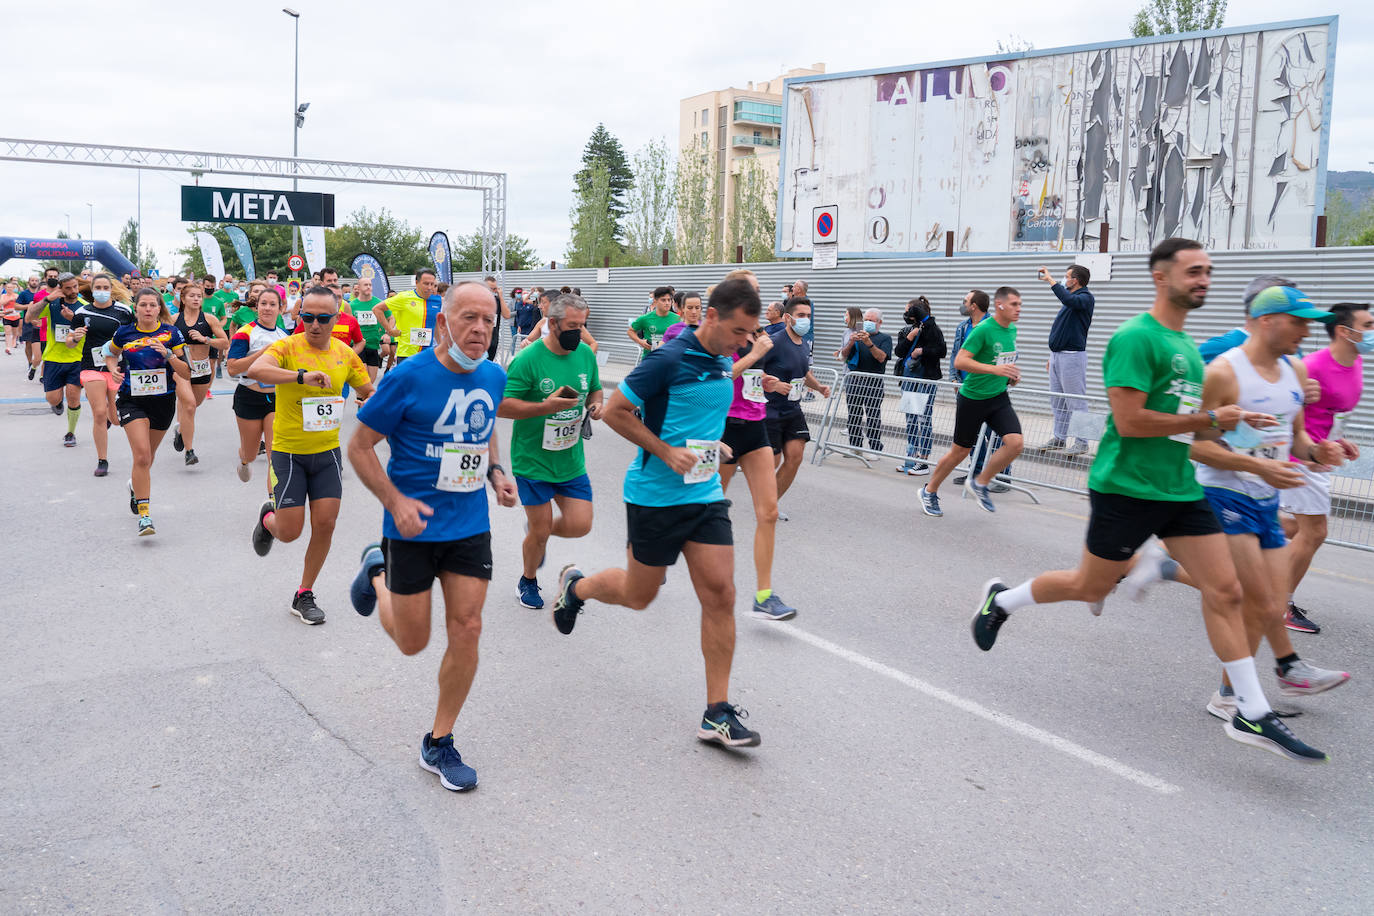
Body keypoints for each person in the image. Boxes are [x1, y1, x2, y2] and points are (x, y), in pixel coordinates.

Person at [969, 238, 1328, 763]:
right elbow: (1132, 422)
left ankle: (1251, 709)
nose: (1204, 279)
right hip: (1127, 487)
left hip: (1181, 489)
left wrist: (1251, 431)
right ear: (1162, 277)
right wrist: (1208, 419)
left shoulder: (1187, 347)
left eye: (1208, 271)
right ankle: (1001, 600)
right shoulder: (1136, 337)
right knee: (1087, 584)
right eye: (1193, 271)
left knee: (1226, 590)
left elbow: (1199, 427)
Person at [549, 276, 766, 749]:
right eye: (738, 332)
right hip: (654, 495)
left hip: (704, 493)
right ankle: (577, 587)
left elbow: (700, 415)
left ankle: (717, 713)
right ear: (710, 316)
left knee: (721, 593)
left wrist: (714, 443)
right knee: (638, 594)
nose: (744, 342)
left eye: (749, 335)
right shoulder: (668, 358)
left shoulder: (722, 358)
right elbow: (618, 412)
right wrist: (667, 451)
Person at [1123, 284, 1351, 719]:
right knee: (1261, 601)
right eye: (1298, 321)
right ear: (1267, 321)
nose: (1307, 330)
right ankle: (1274, 678)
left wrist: (1321, 452)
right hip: (1224, 494)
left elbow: (1297, 439)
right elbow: (1188, 442)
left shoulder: (1297, 373)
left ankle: (1233, 693)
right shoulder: (1222, 373)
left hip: (1267, 500)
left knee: (1269, 602)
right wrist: (1257, 468)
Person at [347, 281, 517, 792]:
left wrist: (495, 473)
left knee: (468, 627)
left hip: (468, 525)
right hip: (411, 526)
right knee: (411, 642)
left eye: (488, 320)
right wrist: (395, 503)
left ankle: (439, 741)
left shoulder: (492, 375)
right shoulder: (407, 377)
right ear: (443, 321)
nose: (480, 329)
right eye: (469, 318)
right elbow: (359, 446)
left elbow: (483, 427)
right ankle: (377, 574)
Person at [246, 286, 375, 625]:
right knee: (289, 532)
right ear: (299, 316)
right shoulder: (288, 346)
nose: (314, 325)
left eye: (323, 318)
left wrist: (372, 401)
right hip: (288, 452)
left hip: (326, 453)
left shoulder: (345, 354)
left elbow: (368, 390)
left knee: (326, 523)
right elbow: (257, 370)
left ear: (337, 318)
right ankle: (267, 519)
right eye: (307, 317)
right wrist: (299, 376)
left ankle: (304, 593)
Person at [497, 293, 603, 609]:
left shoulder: (584, 354)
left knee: (581, 524)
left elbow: (594, 388)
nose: (579, 332)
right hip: (533, 460)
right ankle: (527, 580)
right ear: (552, 323)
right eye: (573, 326)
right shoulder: (527, 360)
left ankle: (537, 531)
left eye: (582, 326)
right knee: (541, 531)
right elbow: (502, 406)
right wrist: (546, 406)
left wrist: (596, 403)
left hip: (570, 459)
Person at [1278, 301, 1370, 633]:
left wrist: (1341, 442)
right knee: (1315, 533)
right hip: (1301, 456)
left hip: (1321, 456)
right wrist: (1309, 452)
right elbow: (1284, 410)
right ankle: (1279, 606)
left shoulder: (1356, 362)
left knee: (1291, 530)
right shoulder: (1312, 365)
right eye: (1368, 325)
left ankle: (1238, 529)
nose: (1372, 332)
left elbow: (1332, 414)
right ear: (1345, 332)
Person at [920, 287, 1025, 516]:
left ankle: (980, 482)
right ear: (1000, 305)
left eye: (1019, 304)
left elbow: (1001, 361)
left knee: (1016, 443)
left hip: (998, 396)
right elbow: (960, 361)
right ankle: (929, 490)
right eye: (1014, 304)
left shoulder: (1012, 330)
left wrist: (1010, 375)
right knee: (960, 451)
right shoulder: (983, 330)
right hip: (973, 398)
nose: (1019, 308)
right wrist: (996, 370)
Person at [720, 315, 797, 621]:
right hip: (723, 428)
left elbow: (747, 375)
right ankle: (659, 557)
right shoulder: (722, 335)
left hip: (755, 427)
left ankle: (764, 596)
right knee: (704, 506)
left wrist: (768, 382)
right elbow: (722, 375)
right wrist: (752, 356)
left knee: (769, 513)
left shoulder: (758, 336)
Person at [108, 287, 191, 536]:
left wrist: (168, 355)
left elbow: (186, 372)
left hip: (162, 401)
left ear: (159, 308)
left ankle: (136, 486)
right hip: (131, 399)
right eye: (143, 305)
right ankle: (145, 515)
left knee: (148, 458)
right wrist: (113, 368)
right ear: (136, 308)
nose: (147, 309)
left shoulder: (171, 333)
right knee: (142, 456)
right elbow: (110, 353)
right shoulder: (124, 333)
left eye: (152, 305)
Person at [760, 297, 832, 501]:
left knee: (795, 457)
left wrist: (818, 386)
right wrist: (771, 383)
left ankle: (771, 504)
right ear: (788, 317)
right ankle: (764, 502)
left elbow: (803, 372)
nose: (806, 320)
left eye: (808, 316)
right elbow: (753, 369)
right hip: (770, 410)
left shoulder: (803, 344)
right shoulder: (773, 342)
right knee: (772, 463)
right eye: (801, 316)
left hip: (793, 409)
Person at [71, 273, 135, 476]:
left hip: (117, 367)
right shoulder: (82, 312)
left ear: (111, 289)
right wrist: (75, 337)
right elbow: (70, 340)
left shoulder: (124, 311)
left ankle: (110, 416)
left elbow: (133, 336)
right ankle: (102, 460)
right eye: (97, 287)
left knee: (116, 419)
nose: (101, 291)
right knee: (99, 412)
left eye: (105, 287)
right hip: (91, 366)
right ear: (92, 289)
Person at [226, 288, 288, 485]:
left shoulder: (284, 336)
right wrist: (261, 354)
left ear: (281, 308)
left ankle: (272, 503)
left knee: (275, 453)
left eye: (273, 304)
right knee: (252, 452)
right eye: (263, 304)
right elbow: (232, 368)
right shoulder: (245, 333)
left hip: (276, 399)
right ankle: (244, 459)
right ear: (256, 307)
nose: (267, 308)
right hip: (249, 397)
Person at [1037, 263, 1095, 455]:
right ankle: (1060, 438)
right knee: (1058, 400)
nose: (1064, 279)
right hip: (1058, 356)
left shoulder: (1085, 298)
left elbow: (1068, 299)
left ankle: (1083, 441)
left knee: (1076, 401)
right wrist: (1052, 355)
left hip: (1072, 357)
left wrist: (1051, 280)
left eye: (1067, 276)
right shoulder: (1071, 300)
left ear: (1075, 280)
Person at [169, 283, 229, 465]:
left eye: (199, 296)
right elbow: (164, 341)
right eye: (192, 296)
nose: (196, 299)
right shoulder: (173, 319)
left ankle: (180, 431)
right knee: (189, 406)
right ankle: (189, 451)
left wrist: (206, 339)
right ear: (183, 299)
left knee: (195, 405)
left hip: (202, 369)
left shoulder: (209, 319)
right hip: (181, 368)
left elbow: (224, 343)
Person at [26, 272, 86, 446]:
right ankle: (57, 404)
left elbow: (94, 329)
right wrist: (47, 299)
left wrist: (74, 320)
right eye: (68, 288)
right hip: (53, 358)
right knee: (52, 398)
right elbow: (30, 317)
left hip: (77, 359)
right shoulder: (52, 305)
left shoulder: (84, 306)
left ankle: (70, 432)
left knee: (74, 397)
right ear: (61, 288)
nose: (73, 291)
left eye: (75, 287)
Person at [894, 297, 947, 476]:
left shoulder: (932, 330)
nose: (906, 315)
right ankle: (911, 457)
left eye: (909, 311)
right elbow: (899, 352)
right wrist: (909, 338)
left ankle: (923, 460)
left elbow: (942, 351)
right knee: (910, 420)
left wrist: (922, 351)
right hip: (908, 380)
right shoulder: (906, 330)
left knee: (923, 419)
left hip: (925, 379)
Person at [840, 308, 893, 453]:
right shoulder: (855, 336)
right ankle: (855, 447)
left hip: (874, 382)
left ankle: (875, 448)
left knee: (873, 417)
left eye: (872, 320)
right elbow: (843, 356)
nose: (868, 323)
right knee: (854, 415)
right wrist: (851, 342)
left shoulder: (885, 338)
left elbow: (882, 357)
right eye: (866, 320)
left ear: (880, 322)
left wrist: (869, 342)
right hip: (854, 381)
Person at [376, 269, 439, 364]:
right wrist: (389, 330)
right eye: (426, 284)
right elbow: (377, 309)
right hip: (407, 354)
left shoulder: (438, 301)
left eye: (432, 284)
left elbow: (438, 325)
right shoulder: (404, 297)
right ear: (417, 282)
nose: (429, 287)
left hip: (429, 355)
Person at [349, 277, 387, 383]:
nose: (369, 287)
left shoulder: (378, 303)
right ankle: (361, 398)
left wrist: (387, 333)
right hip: (357, 344)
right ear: (359, 287)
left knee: (372, 380)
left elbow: (391, 318)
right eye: (365, 285)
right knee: (363, 378)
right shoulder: (352, 305)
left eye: (370, 285)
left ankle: (364, 398)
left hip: (373, 344)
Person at [627, 286, 676, 360]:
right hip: (649, 359)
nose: (667, 303)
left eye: (669, 300)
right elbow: (630, 331)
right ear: (655, 301)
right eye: (663, 300)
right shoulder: (645, 318)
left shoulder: (678, 319)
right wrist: (640, 341)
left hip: (669, 360)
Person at [483, 275, 511, 362]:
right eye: (491, 289)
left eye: (495, 289)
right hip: (481, 338)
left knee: (489, 363)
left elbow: (507, 315)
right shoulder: (478, 300)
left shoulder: (497, 300)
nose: (493, 291)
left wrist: (501, 297)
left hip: (493, 339)